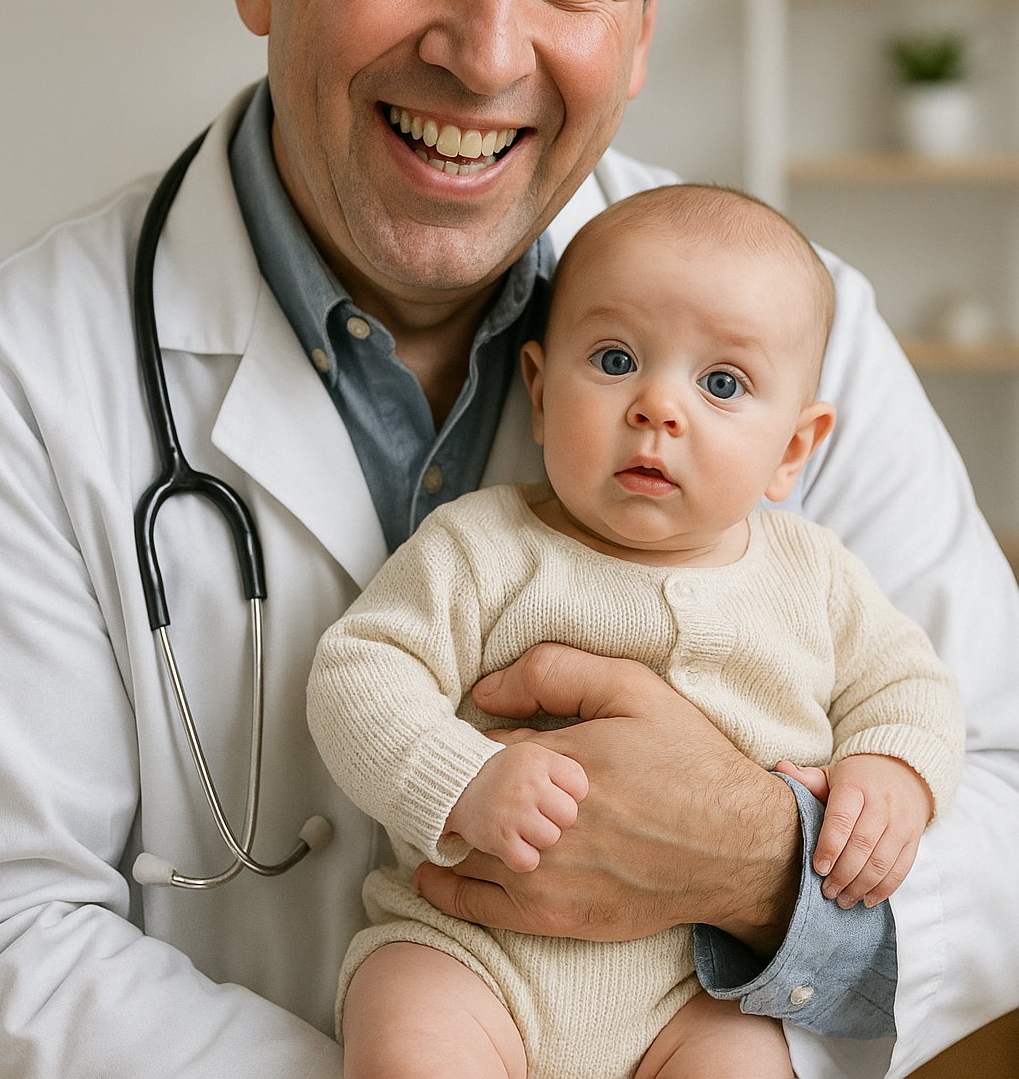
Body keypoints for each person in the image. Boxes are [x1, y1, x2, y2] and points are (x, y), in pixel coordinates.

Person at [0, 0, 1016, 1079]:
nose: (484, 52)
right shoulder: (29, 375)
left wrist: (756, 863)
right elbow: (15, 928)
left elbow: (996, 775)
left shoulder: (790, 334)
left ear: (646, 17)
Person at [308, 184, 965, 1079]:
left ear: (793, 451)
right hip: (470, 950)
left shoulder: (817, 576)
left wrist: (892, 775)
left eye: (722, 383)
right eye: (615, 360)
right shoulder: (484, 544)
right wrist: (460, 779)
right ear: (538, 394)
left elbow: (910, 686)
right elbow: (359, 672)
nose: (659, 406)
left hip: (696, 989)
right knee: (411, 1038)